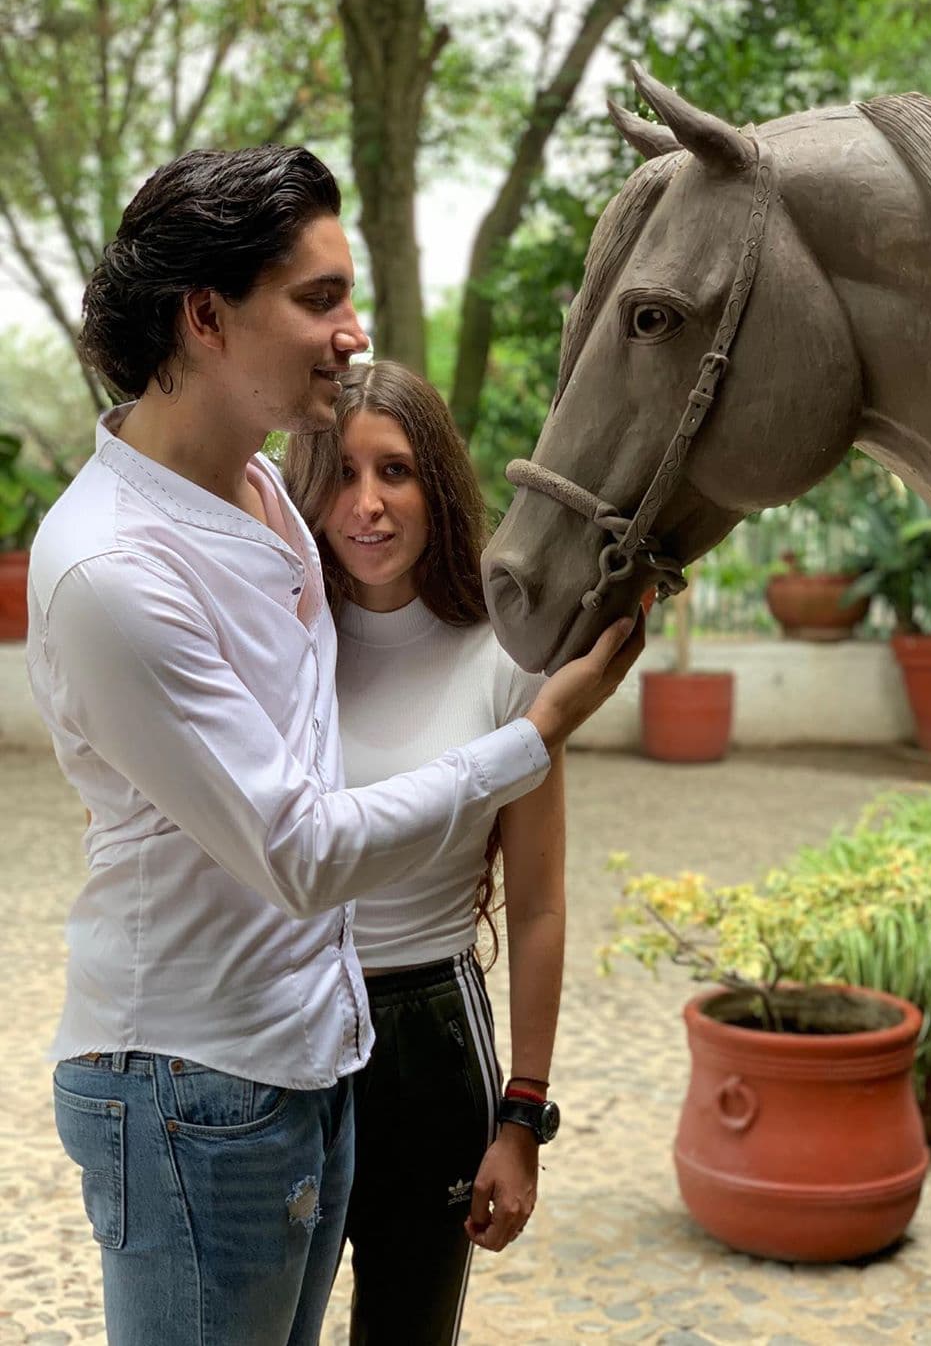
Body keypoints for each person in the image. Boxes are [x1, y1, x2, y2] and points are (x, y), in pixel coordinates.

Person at [27, 144, 642, 1346]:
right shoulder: (113, 568)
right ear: (205, 317)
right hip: (188, 1082)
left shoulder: (257, 497)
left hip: (313, 1056)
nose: (354, 332)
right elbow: (299, 851)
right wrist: (541, 731)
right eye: (320, 299)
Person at [284, 361, 564, 1344]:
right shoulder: (281, 645)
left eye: (395, 471)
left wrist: (522, 1119)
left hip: (431, 1040)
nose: (367, 504)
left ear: (435, 484)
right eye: (342, 472)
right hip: (285, 1032)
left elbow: (535, 906)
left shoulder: (505, 660)